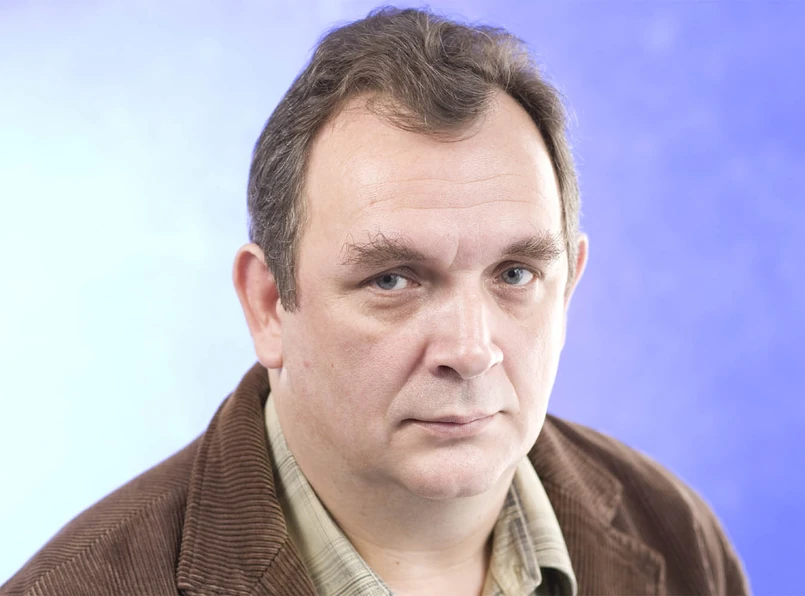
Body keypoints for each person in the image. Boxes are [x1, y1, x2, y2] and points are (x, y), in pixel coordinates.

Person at [2, 7, 749, 596]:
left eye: (515, 274)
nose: (470, 350)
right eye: (393, 279)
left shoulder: (675, 535)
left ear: (569, 285)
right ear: (268, 304)